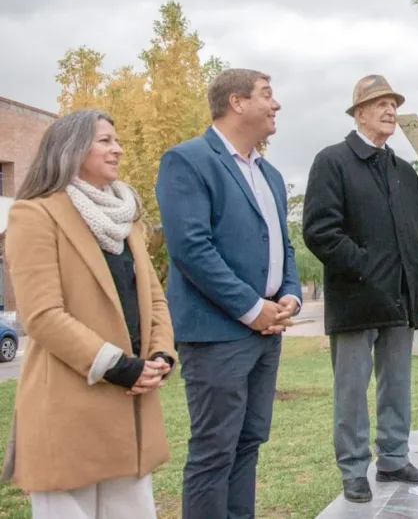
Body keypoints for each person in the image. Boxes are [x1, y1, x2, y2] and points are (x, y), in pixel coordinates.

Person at [1, 109, 175, 519]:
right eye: (105, 140)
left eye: (116, 140)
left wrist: (161, 356)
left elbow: (154, 299)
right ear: (72, 148)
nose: (118, 148)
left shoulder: (126, 218)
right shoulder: (34, 214)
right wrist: (118, 366)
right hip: (67, 407)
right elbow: (42, 315)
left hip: (130, 407)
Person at [155, 69, 302, 519]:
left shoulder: (271, 174)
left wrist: (290, 294)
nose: (276, 105)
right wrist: (251, 308)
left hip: (266, 333)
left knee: (249, 442)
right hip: (217, 335)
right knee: (214, 450)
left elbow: (283, 244)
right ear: (237, 102)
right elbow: (191, 248)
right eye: (266, 96)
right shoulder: (188, 160)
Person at [302, 74, 418, 504]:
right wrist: (366, 267)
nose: (389, 110)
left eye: (393, 104)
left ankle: (394, 458)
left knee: (396, 385)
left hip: (402, 299)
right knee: (351, 390)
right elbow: (320, 231)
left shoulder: (403, 171)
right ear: (359, 113)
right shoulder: (332, 161)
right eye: (379, 104)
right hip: (356, 300)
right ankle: (353, 469)